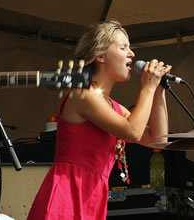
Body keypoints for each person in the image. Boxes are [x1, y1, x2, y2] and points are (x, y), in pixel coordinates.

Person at [27, 20, 170, 220]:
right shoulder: (83, 93)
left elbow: (158, 139)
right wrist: (147, 88)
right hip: (67, 195)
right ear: (100, 56)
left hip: (93, 197)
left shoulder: (113, 107)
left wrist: (158, 91)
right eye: (123, 47)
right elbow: (132, 131)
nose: (132, 54)